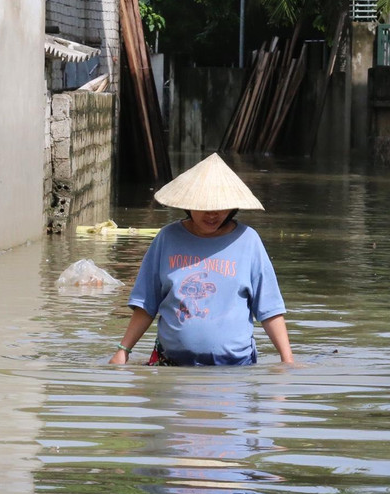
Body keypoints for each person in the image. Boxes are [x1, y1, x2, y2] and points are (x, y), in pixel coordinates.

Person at [110, 153, 294, 366]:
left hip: (235, 369)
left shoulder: (248, 241)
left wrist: (287, 360)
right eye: (204, 207)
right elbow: (146, 304)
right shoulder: (167, 238)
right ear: (188, 204)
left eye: (220, 207)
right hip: (171, 367)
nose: (212, 215)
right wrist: (123, 351)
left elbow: (269, 308)